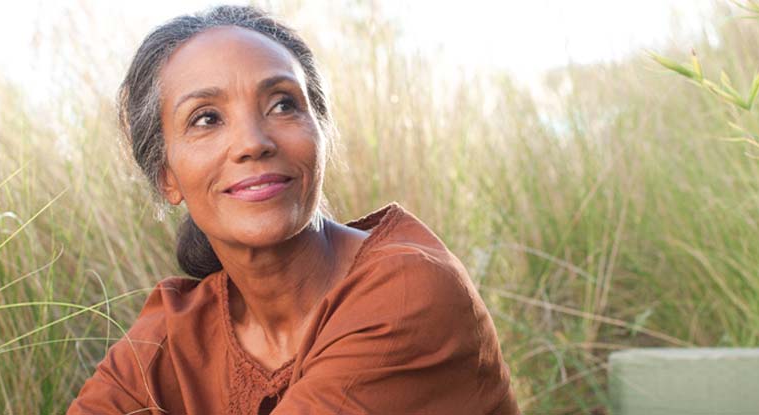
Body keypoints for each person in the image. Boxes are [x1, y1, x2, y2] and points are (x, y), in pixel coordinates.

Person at [67, 5, 519, 415]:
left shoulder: (407, 292)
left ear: (320, 133)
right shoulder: (175, 336)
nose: (252, 142)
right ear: (167, 176)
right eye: (206, 118)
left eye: (283, 105)